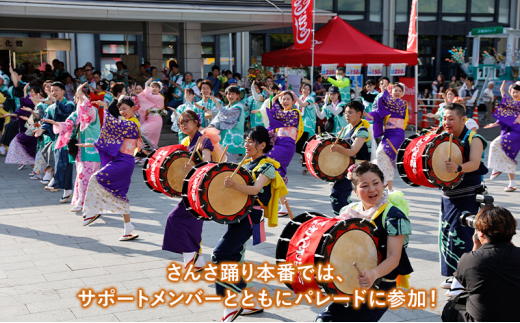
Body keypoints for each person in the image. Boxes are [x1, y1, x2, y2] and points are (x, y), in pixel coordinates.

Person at [316, 162, 412, 322]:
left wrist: (373, 274)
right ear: (355, 190)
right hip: (350, 283)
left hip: (380, 286)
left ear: (383, 184)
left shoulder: (394, 216)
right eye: (364, 185)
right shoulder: (349, 211)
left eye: (376, 183)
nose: (372, 189)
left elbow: (394, 257)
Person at [215, 126, 288, 322]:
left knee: (221, 254)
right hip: (238, 215)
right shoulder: (247, 162)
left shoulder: (268, 166)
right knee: (236, 258)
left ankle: (233, 302)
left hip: (249, 217)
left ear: (262, 145)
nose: (246, 144)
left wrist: (234, 185)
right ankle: (252, 303)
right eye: (246, 140)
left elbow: (255, 189)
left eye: (251, 141)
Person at [438, 102, 488, 293]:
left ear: (463, 120)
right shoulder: (443, 137)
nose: (447, 122)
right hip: (448, 195)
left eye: (451, 118)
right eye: (444, 118)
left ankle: (464, 276)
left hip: (467, 195)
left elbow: (474, 164)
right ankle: (453, 274)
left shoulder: (474, 138)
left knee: (462, 235)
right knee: (446, 235)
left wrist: (458, 167)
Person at [441, 205, 520, 322]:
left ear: (481, 233)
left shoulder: (469, 259)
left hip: (484, 319)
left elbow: (464, 285)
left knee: (450, 307)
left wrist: (476, 247)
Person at [79, 96, 141, 240]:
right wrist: (91, 144)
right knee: (121, 195)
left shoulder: (133, 124)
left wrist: (106, 109)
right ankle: (128, 228)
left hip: (125, 161)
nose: (122, 111)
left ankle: (92, 211)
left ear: (133, 108)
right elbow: (109, 138)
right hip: (122, 160)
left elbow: (113, 127)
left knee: (95, 178)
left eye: (125, 108)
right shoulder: (125, 122)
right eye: (120, 109)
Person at [162, 110, 214, 271]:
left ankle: (193, 257)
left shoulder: (203, 140)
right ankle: (196, 259)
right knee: (191, 224)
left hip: (200, 189)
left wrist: (194, 167)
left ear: (196, 122)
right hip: (190, 189)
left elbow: (208, 165)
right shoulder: (186, 141)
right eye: (180, 123)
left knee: (177, 219)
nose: (183, 125)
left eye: (186, 121)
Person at [43, 83, 101, 211]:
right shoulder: (75, 114)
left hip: (91, 149)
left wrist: (80, 94)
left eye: (82, 97)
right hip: (80, 150)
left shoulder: (92, 111)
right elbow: (67, 125)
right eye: (77, 97)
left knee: (85, 177)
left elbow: (86, 109)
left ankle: (84, 202)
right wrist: (56, 123)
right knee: (81, 176)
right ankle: (85, 202)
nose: (79, 100)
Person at [34, 82, 76, 203]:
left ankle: (54, 182)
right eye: (52, 91)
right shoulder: (50, 107)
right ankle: (67, 190)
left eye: (56, 90)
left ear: (63, 91)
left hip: (68, 138)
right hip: (57, 139)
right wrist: (41, 129)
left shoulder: (70, 104)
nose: (53, 93)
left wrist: (54, 100)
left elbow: (66, 113)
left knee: (63, 163)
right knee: (61, 163)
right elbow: (46, 121)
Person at [264, 90, 303, 216]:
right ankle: (284, 206)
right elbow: (274, 116)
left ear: (293, 101)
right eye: (283, 99)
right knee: (277, 175)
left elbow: (278, 114)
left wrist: (274, 101)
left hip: (286, 146)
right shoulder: (283, 113)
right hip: (279, 144)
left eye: (287, 99)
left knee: (266, 158)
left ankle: (268, 199)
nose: (284, 101)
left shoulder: (294, 113)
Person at [328, 101, 371, 215]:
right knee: (338, 195)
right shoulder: (347, 128)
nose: (347, 115)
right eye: (346, 113)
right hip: (347, 167)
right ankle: (349, 216)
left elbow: (353, 151)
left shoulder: (362, 131)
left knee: (338, 194)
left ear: (359, 114)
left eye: (350, 112)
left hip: (359, 169)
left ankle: (345, 219)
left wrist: (337, 149)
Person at [366, 83, 408, 192]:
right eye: (395, 90)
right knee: (388, 161)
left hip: (397, 133)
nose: (397, 92)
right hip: (388, 133)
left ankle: (382, 180)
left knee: (380, 153)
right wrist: (364, 114)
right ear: (391, 92)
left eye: (400, 91)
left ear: (402, 93)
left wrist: (384, 91)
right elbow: (377, 114)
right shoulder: (387, 105)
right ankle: (389, 189)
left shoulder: (402, 103)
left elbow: (387, 105)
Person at [486, 80, 520, 192]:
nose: (515, 94)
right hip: (512, 132)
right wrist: (494, 124)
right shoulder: (511, 102)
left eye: (518, 92)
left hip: (517, 133)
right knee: (509, 157)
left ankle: (497, 168)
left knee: (495, 144)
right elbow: (504, 113)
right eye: (513, 92)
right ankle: (512, 183)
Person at [4, 83, 40, 170]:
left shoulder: (39, 102)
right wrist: (24, 91)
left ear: (37, 93)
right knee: (24, 146)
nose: (30, 93)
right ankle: (33, 168)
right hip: (30, 127)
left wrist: (25, 91)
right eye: (30, 91)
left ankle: (32, 166)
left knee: (20, 141)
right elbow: (25, 103)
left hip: (36, 127)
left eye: (32, 91)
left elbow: (28, 103)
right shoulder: (31, 102)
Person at [208, 86, 246, 163]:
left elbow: (226, 113)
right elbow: (217, 119)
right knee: (222, 163)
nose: (230, 96)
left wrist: (216, 102)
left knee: (230, 165)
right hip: (224, 139)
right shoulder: (226, 107)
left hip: (234, 140)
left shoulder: (238, 107)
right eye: (229, 94)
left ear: (237, 95)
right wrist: (208, 128)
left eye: (233, 94)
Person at [136, 79, 166, 151]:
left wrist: (146, 85)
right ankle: (150, 150)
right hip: (150, 119)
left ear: (160, 89)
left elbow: (147, 95)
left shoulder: (160, 97)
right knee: (145, 134)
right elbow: (143, 97)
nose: (154, 88)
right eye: (152, 87)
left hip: (156, 120)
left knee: (143, 132)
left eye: (156, 87)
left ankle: (151, 150)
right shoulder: (151, 98)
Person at [294, 83, 315, 171]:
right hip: (301, 124)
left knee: (303, 142)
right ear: (301, 89)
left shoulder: (310, 98)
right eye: (304, 89)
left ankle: (305, 160)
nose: (306, 91)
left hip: (307, 124)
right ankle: (305, 161)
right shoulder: (299, 98)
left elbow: (302, 105)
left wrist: (295, 97)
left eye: (308, 89)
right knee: (301, 143)